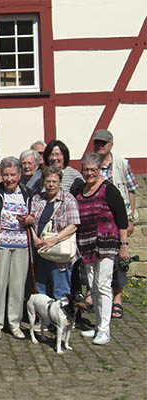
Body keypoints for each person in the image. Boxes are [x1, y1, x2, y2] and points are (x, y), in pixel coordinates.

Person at [73, 153, 128, 346]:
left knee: (103, 284)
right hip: (86, 244)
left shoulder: (108, 189)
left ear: (99, 170)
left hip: (106, 243)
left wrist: (124, 245)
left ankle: (105, 329)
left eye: (93, 170)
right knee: (92, 284)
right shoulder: (79, 190)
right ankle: (97, 326)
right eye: (86, 169)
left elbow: (122, 218)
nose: (89, 173)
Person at [92, 129, 138, 319]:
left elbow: (132, 190)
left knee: (119, 259)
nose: (100, 146)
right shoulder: (91, 164)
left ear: (111, 144)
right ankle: (93, 295)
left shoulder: (121, 163)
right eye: (97, 143)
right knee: (96, 259)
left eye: (104, 143)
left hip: (117, 221)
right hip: (98, 222)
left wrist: (130, 218)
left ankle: (117, 299)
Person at [0, 157, 34, 341]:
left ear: (19, 175)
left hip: (21, 244)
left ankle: (14, 323)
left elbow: (33, 213)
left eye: (13, 175)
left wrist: (30, 219)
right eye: (5, 175)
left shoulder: (28, 192)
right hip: (1, 244)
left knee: (17, 286)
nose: (9, 179)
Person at [30, 166, 80, 300]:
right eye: (48, 181)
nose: (51, 185)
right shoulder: (37, 199)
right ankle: (44, 320)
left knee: (60, 290)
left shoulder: (68, 199)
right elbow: (31, 222)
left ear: (60, 183)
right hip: (41, 250)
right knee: (41, 289)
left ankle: (61, 319)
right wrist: (35, 239)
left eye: (54, 181)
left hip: (59, 252)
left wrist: (54, 240)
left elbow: (73, 225)